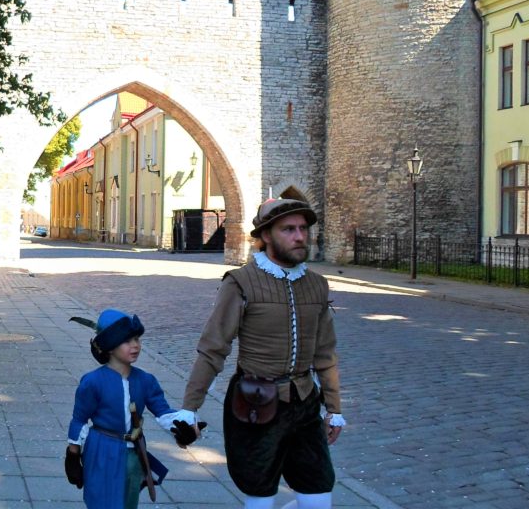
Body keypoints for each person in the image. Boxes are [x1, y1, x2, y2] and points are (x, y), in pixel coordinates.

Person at [180, 198, 345, 509]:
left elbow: (325, 352)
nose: (299, 236)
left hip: (305, 403)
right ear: (266, 235)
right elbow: (213, 348)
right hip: (255, 403)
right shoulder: (240, 282)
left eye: (303, 229)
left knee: (319, 498)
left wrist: (334, 408)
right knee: (260, 498)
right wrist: (191, 408)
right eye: (288, 229)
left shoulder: (317, 284)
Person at [65, 309, 203, 508]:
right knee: (100, 502)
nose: (135, 345)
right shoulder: (92, 382)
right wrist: (73, 455)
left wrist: (183, 428)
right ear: (110, 346)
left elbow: (163, 412)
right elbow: (79, 419)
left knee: (128, 503)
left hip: (134, 454)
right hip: (101, 451)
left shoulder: (145, 380)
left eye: (137, 339)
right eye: (127, 341)